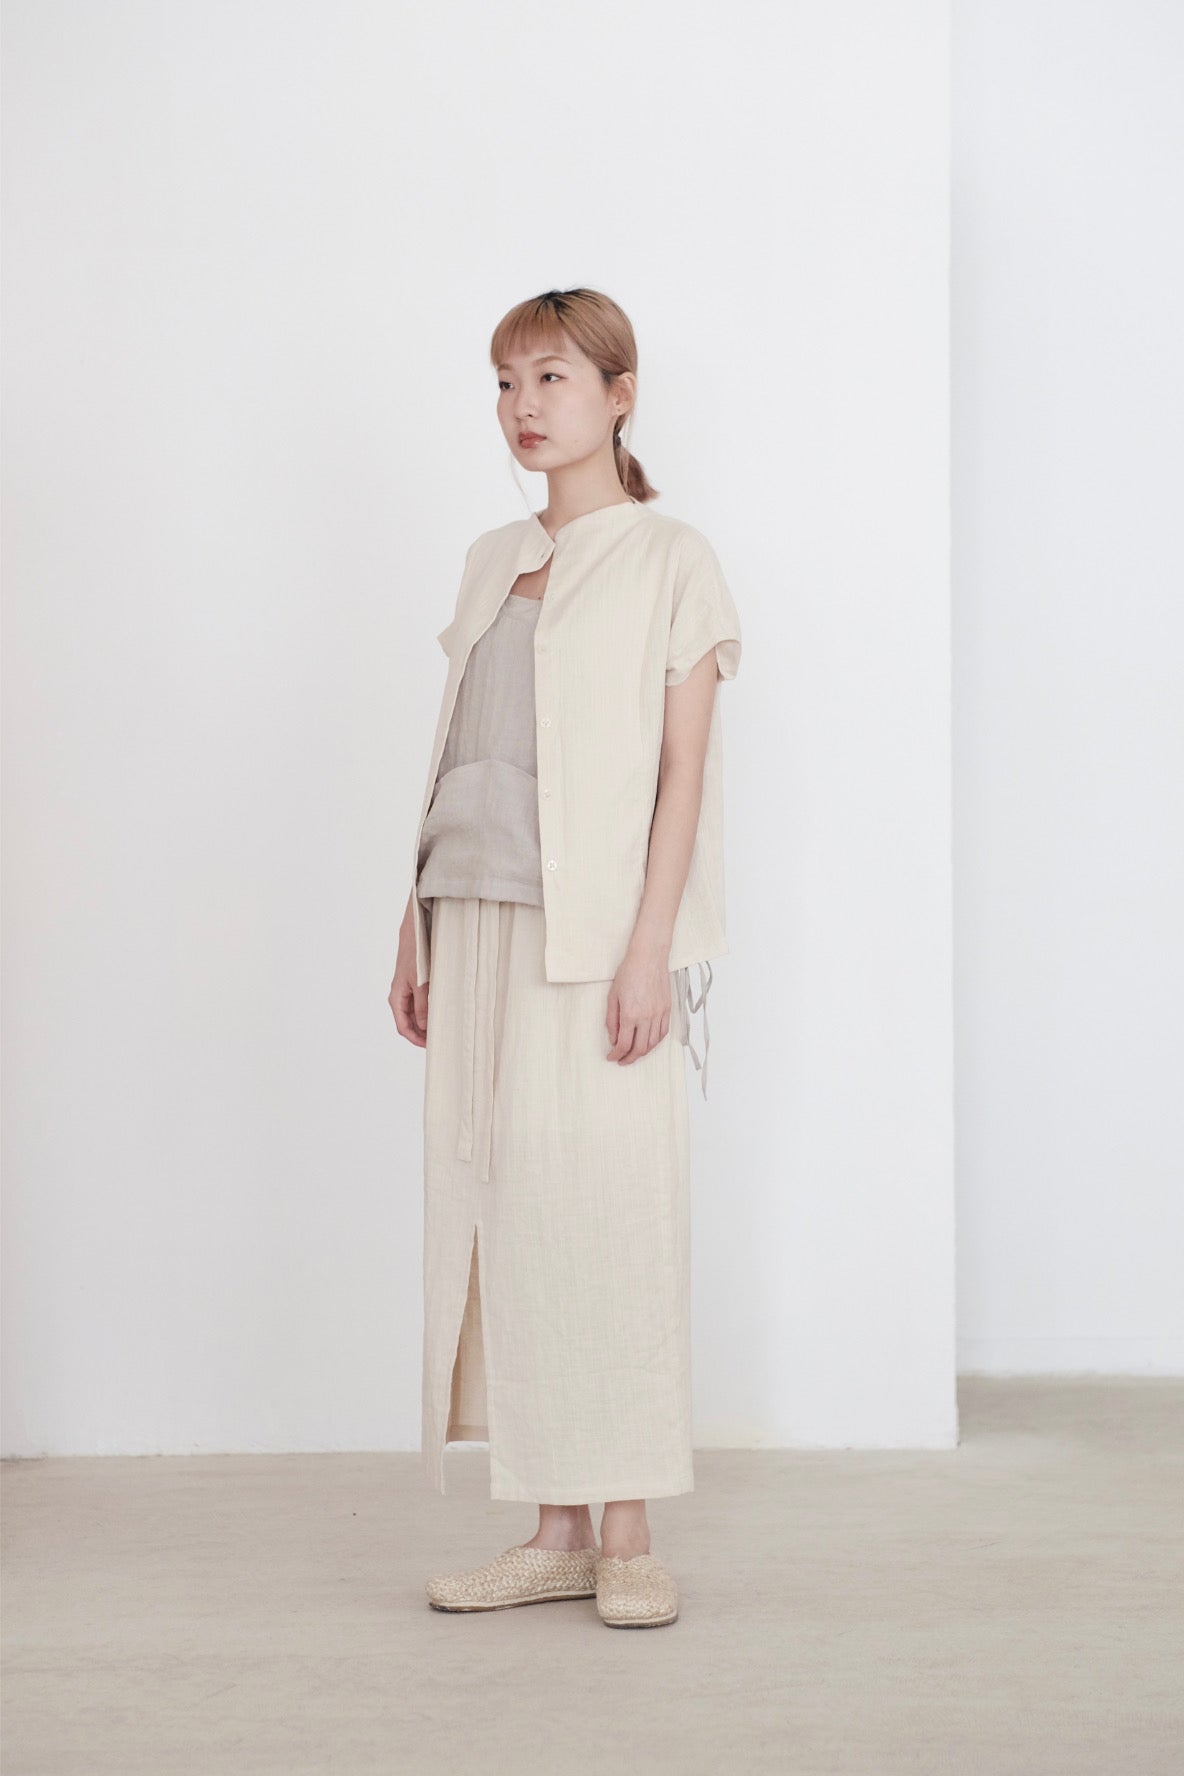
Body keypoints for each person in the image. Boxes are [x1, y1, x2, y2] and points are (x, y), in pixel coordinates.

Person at [389, 287, 741, 1629]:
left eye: (551, 378)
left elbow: (681, 774)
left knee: (610, 1208)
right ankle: (553, 1529)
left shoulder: (671, 559)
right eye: (505, 383)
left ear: (618, 393)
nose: (523, 408)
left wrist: (652, 951)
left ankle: (630, 1531)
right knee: (507, 1210)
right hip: (471, 914)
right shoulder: (493, 558)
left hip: (597, 939)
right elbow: (455, 747)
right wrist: (411, 920)